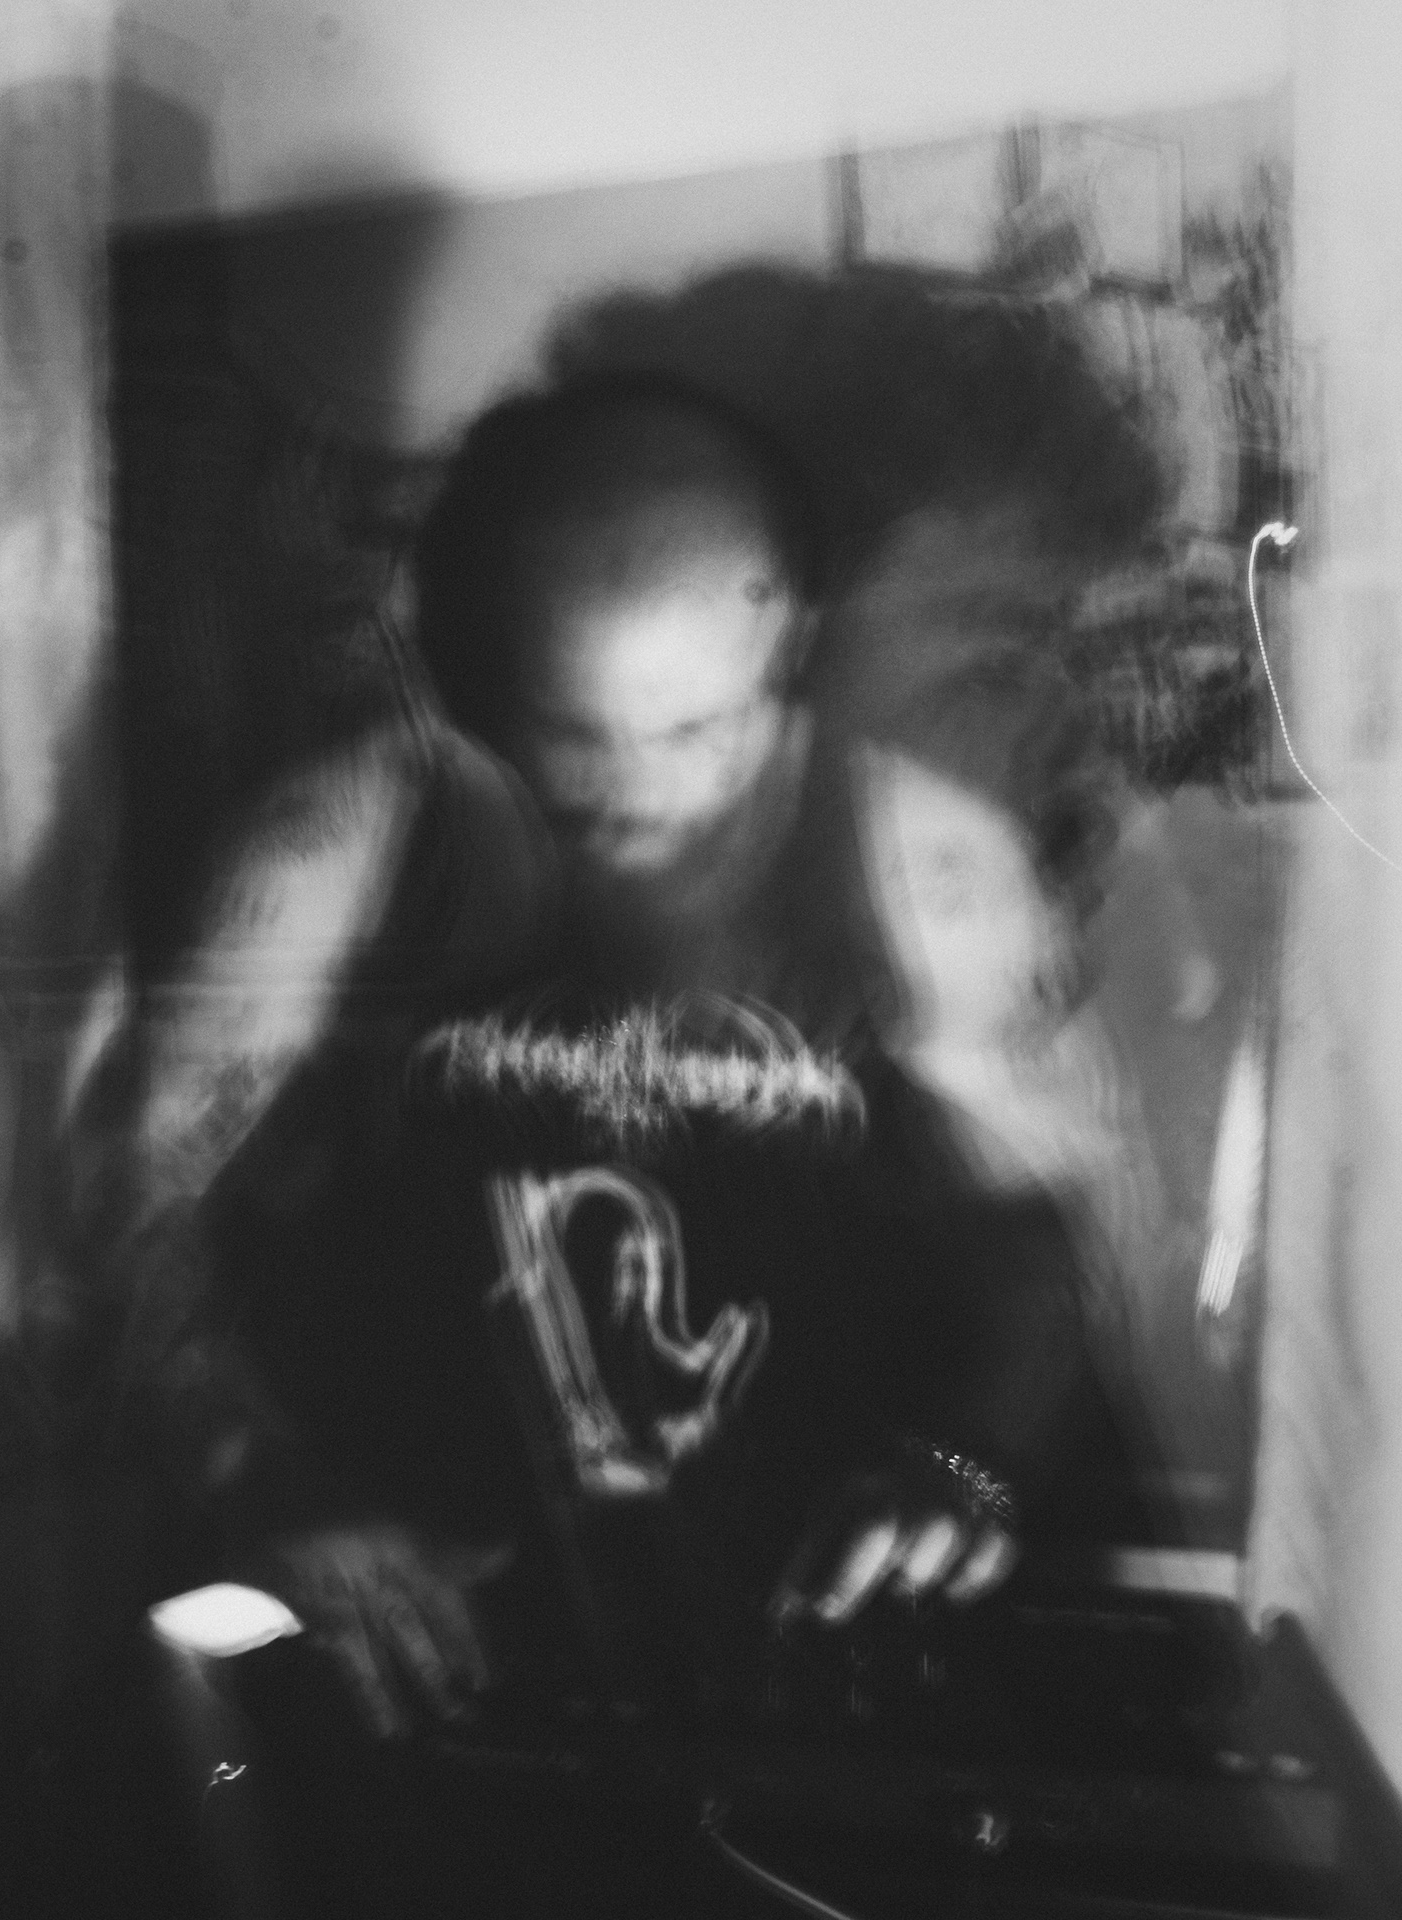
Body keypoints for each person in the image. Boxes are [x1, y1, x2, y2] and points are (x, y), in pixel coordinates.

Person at [71, 373, 1108, 1741]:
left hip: (833, 1655)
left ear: (789, 646)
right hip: (423, 1664)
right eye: (571, 739)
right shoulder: (352, 842)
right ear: (483, 672)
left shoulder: (931, 869)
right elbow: (126, 1185)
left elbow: (1055, 1242)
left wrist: (968, 1463)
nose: (639, 793)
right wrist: (261, 1480)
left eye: (697, 732)